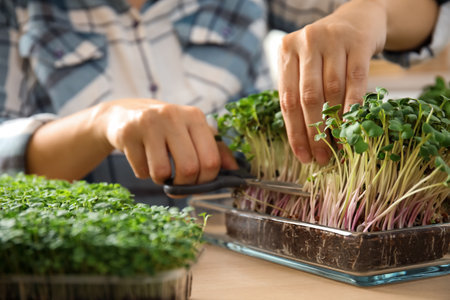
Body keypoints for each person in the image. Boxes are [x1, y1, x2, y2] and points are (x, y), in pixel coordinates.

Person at [0, 0, 448, 205]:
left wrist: (368, 13)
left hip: (248, 222)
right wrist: (101, 122)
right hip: (106, 242)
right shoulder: (22, 10)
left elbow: (427, 14)